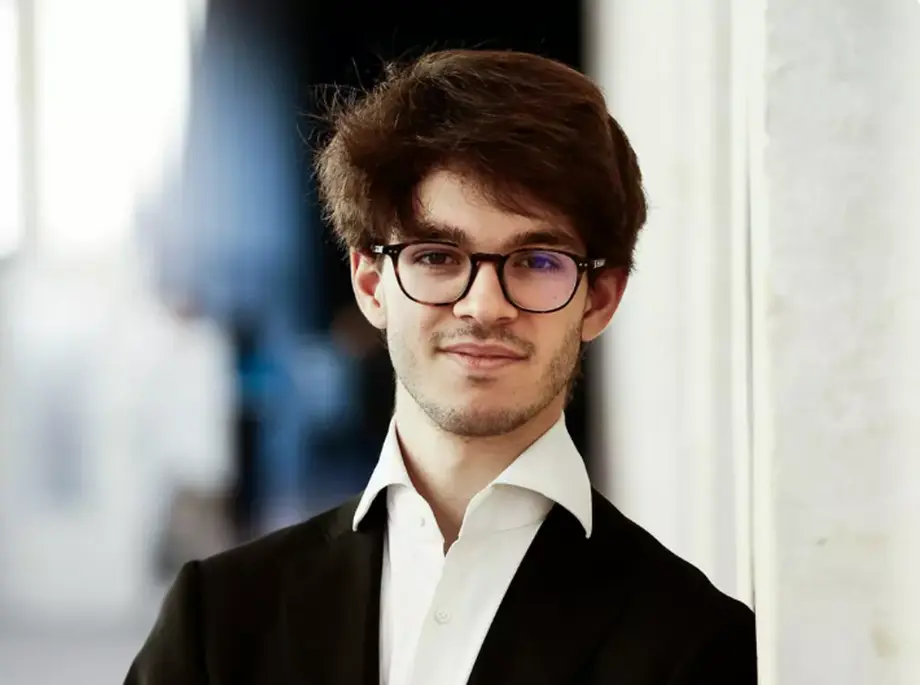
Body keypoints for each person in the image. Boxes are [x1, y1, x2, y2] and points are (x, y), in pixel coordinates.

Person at [124, 49, 757, 684]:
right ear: (371, 284)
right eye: (436, 256)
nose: (484, 306)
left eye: (537, 261)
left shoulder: (698, 645)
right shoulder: (216, 620)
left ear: (600, 299)